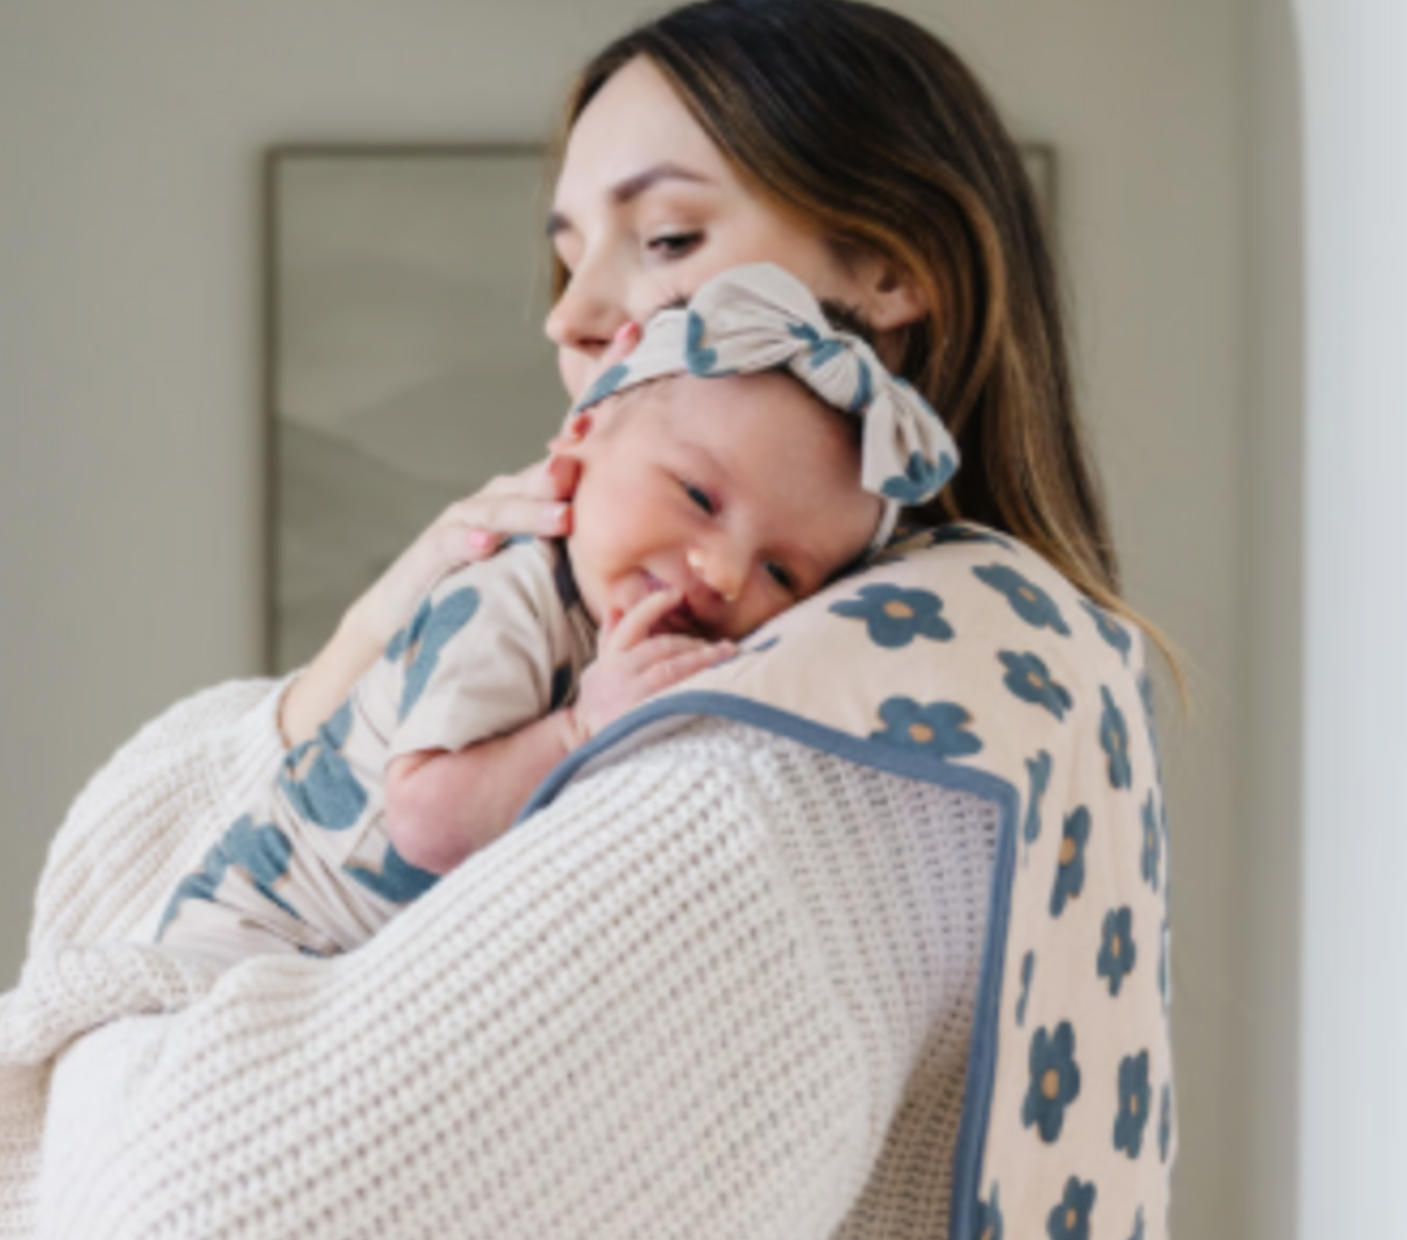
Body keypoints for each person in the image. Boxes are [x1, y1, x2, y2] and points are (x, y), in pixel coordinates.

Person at [0, 0, 1174, 1240]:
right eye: (569, 250)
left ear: (888, 271)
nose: (576, 316)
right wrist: (347, 671)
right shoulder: (970, 675)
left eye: (666, 239)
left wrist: (108, 1045)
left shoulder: (782, 760)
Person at [151, 264, 957, 967]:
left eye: (781, 572)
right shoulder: (508, 599)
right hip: (255, 936)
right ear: (580, 438)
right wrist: (581, 731)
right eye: (698, 497)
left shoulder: (649, 640)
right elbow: (425, 818)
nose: (723, 573)